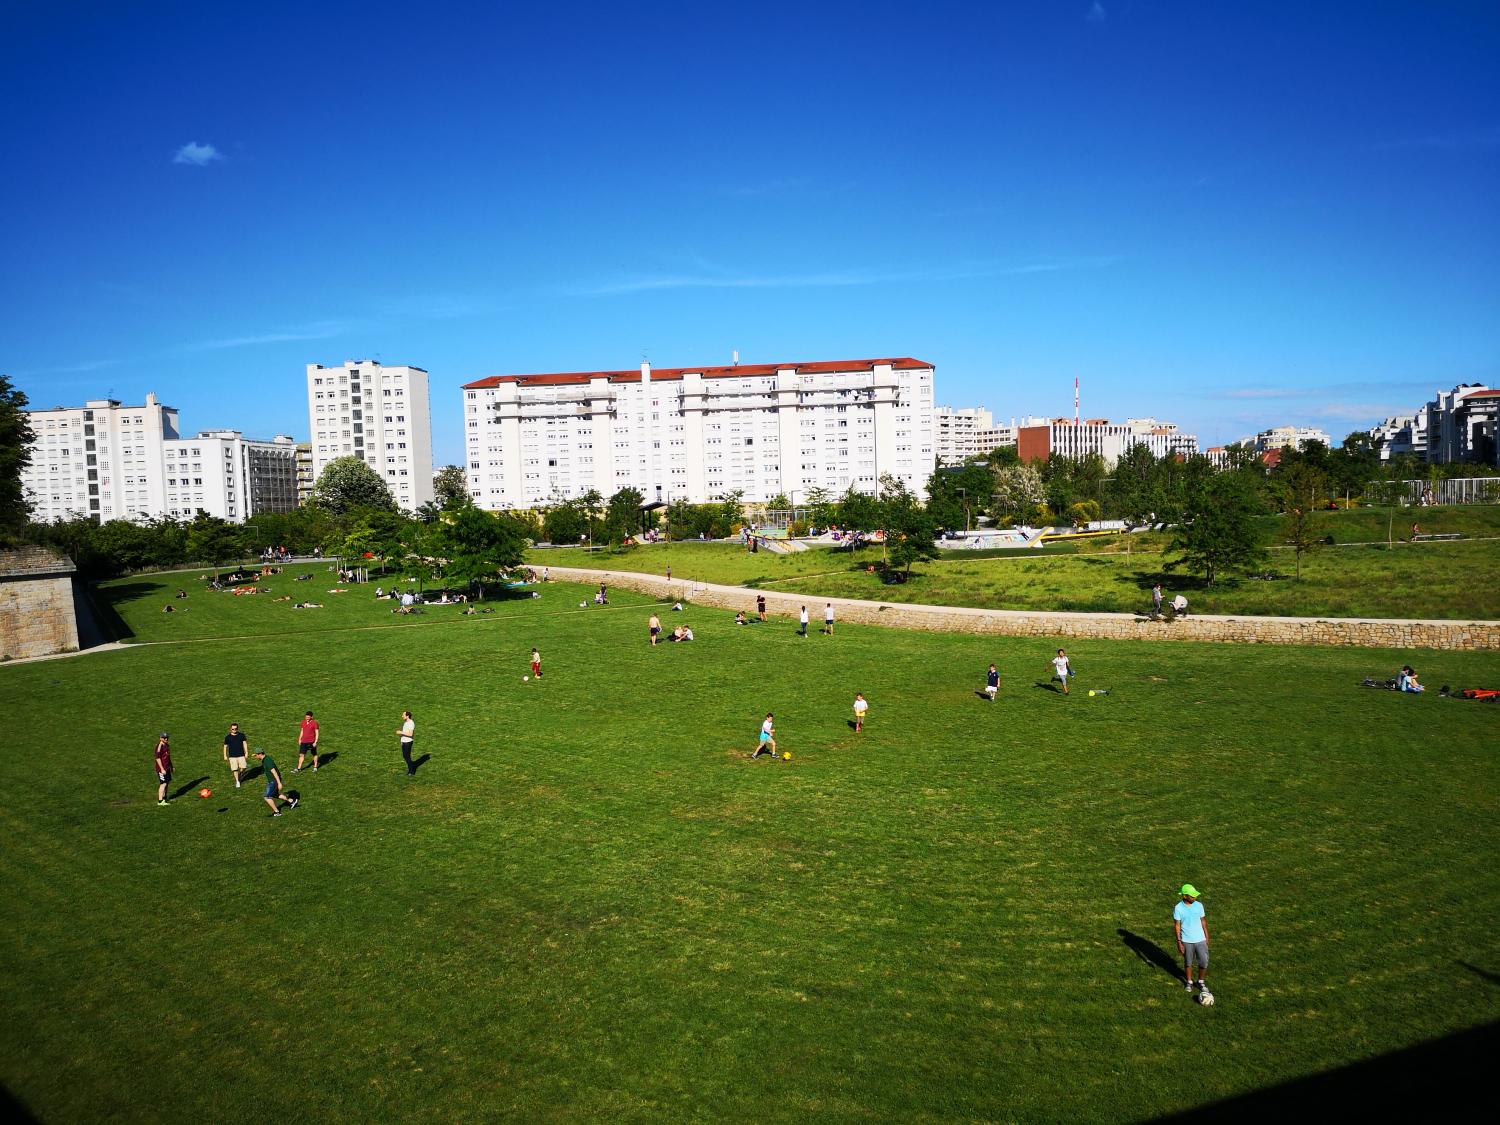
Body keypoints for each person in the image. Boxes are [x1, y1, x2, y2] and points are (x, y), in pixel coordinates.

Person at [1173, 884, 1211, 996]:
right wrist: (1179, 942)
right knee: (1188, 962)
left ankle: (1200, 981)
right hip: (1186, 940)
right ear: (1185, 896)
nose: (1195, 897)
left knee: (1203, 961)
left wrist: (1206, 935)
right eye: (1192, 896)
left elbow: (1203, 921)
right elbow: (1177, 926)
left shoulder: (1199, 905)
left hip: (1201, 939)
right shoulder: (1178, 908)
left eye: (1195, 895)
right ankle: (1189, 982)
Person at [253, 749, 298, 817]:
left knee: (267, 797)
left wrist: (279, 783)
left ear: (260, 754)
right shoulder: (265, 760)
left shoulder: (267, 761)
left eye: (255, 755)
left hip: (274, 781)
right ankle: (292, 801)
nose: (255, 757)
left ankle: (277, 812)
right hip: (272, 781)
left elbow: (274, 772)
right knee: (275, 794)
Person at [224, 722, 249, 788]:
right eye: (233, 729)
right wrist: (225, 755)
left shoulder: (241, 735)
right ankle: (237, 781)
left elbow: (245, 744)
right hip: (232, 756)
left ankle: (240, 774)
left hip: (241, 754)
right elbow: (225, 747)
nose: (234, 730)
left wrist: (246, 752)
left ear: (237, 728)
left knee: (244, 767)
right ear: (230, 729)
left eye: (236, 729)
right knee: (235, 769)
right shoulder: (227, 737)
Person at [155, 732, 173, 805]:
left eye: (167, 737)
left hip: (167, 768)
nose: (166, 739)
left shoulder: (166, 745)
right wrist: (162, 769)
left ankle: (164, 798)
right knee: (163, 784)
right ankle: (160, 801)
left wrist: (171, 766)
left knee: (167, 783)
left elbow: (168, 757)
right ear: (160, 738)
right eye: (164, 738)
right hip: (162, 769)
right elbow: (158, 758)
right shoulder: (159, 747)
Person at [397, 710, 416, 776]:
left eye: (403, 715)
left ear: (407, 716)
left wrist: (401, 732)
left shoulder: (411, 723)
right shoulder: (405, 723)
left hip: (408, 742)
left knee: (407, 757)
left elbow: (410, 734)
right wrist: (401, 741)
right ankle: (410, 768)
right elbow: (405, 732)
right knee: (405, 756)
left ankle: (411, 771)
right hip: (404, 742)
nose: (402, 716)